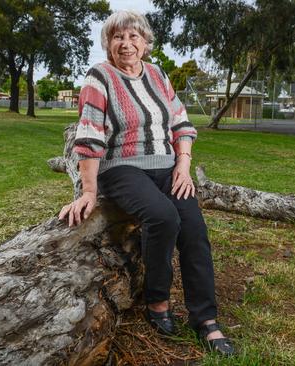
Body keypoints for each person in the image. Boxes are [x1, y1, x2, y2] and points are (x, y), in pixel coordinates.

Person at [58, 10, 235, 357]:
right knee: (163, 216)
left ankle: (205, 319)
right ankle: (156, 301)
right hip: (121, 168)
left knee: (195, 230)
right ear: (108, 43)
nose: (127, 44)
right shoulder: (99, 77)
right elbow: (91, 136)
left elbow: (181, 123)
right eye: (118, 37)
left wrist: (183, 165)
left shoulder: (157, 74)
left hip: (168, 166)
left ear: (145, 42)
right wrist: (89, 191)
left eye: (134, 37)